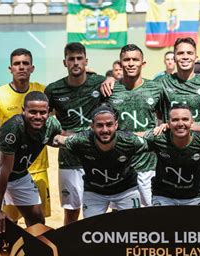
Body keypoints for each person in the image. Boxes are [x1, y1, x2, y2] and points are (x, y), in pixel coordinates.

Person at [0, 91, 62, 233]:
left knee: (37, 220)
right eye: (32, 112)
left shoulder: (52, 124)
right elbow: (4, 170)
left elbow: (61, 137)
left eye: (42, 112)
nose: (38, 117)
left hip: (19, 173)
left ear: (48, 112)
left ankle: (33, 254)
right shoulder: (13, 127)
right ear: (23, 111)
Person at [0, 48, 51, 223]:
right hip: (8, 169)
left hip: (38, 168)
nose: (21, 67)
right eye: (17, 64)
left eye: (25, 63)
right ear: (10, 68)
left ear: (32, 68)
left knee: (37, 222)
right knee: (7, 223)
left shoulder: (43, 91)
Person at [45, 42, 107, 225]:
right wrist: (57, 136)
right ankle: (68, 251)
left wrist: (111, 79)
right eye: (71, 59)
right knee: (71, 212)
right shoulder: (53, 90)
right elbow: (44, 123)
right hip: (68, 159)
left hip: (97, 158)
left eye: (79, 58)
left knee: (98, 211)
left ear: (86, 61)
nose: (75, 63)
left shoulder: (100, 82)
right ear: (65, 62)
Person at [155, 38, 200, 203]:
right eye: (180, 53)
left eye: (189, 53)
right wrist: (110, 80)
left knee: (199, 205)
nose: (185, 57)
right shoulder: (160, 83)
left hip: (198, 152)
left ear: (196, 56)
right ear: (174, 57)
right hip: (168, 152)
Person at [53, 106, 147, 217]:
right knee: (91, 230)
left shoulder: (129, 141)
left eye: (109, 124)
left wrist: (165, 127)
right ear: (92, 126)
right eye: (99, 125)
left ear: (116, 125)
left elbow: (152, 140)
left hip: (126, 191)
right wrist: (55, 136)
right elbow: (59, 139)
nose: (105, 130)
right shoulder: (81, 140)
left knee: (130, 228)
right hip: (94, 192)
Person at [104, 44, 164, 206]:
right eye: (127, 60)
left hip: (148, 164)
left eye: (135, 60)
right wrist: (109, 79)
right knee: (121, 217)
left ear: (143, 63)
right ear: (120, 63)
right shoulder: (110, 90)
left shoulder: (156, 88)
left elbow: (165, 120)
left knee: (151, 213)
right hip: (119, 165)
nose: (131, 63)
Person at [144, 104, 200, 206]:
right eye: (175, 120)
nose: (180, 123)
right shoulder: (158, 138)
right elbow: (132, 138)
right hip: (163, 196)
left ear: (192, 122)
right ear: (168, 124)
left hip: (193, 197)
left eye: (185, 119)